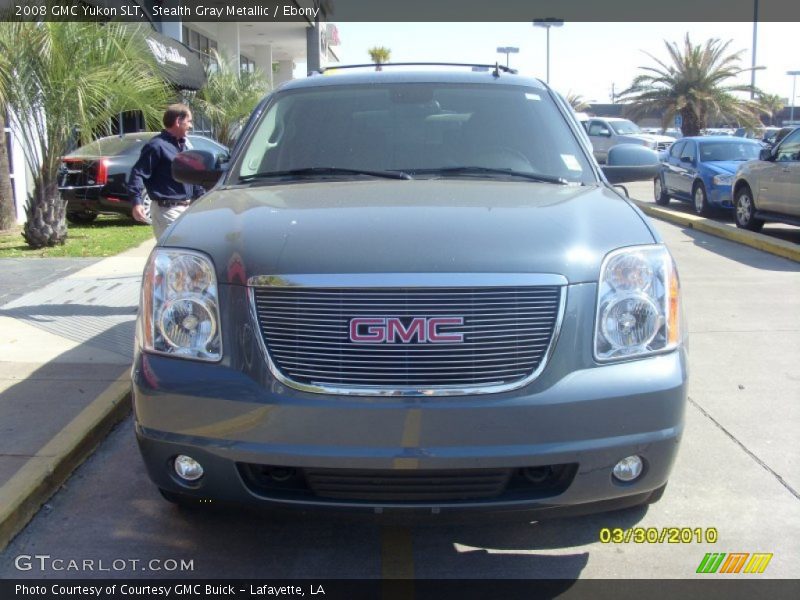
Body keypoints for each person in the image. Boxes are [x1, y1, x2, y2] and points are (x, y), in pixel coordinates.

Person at [129, 104, 205, 238]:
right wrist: (136, 202)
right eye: (189, 121)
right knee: (176, 248)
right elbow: (138, 173)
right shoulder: (156, 146)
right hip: (167, 210)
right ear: (178, 121)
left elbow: (191, 177)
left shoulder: (183, 145)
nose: (191, 126)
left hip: (187, 209)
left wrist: (202, 198)